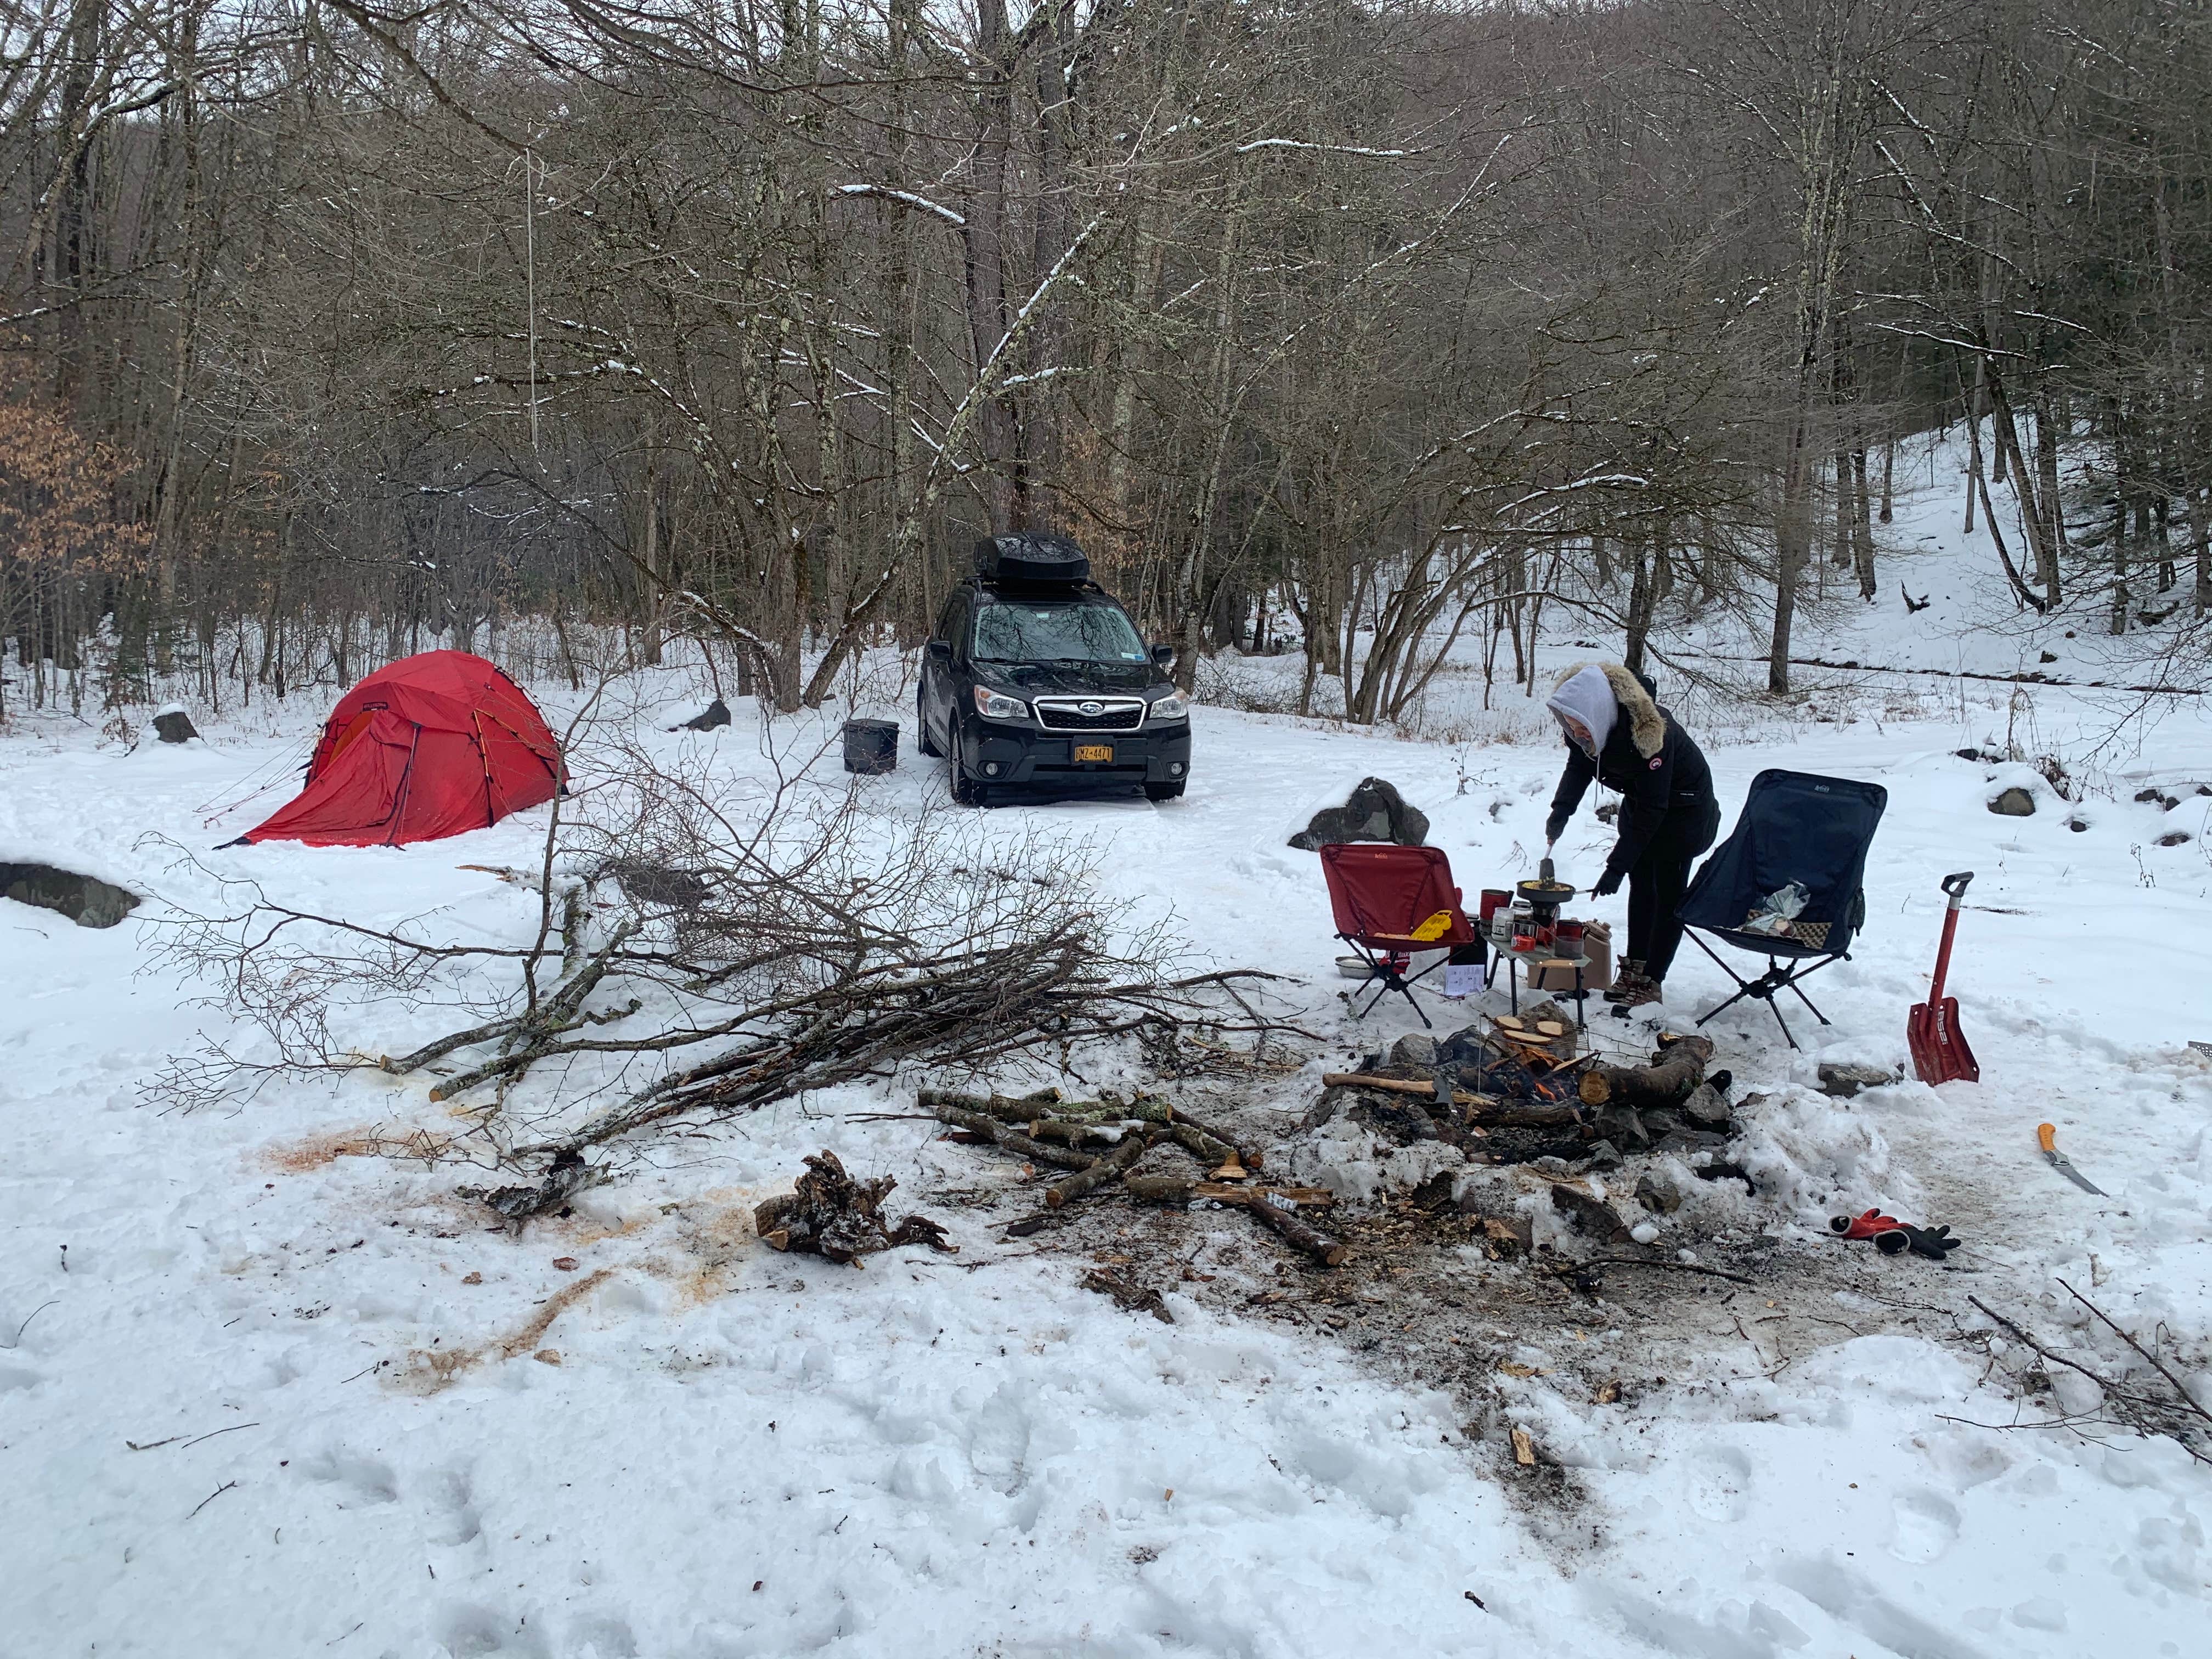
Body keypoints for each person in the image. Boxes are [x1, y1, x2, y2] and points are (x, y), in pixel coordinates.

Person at [1542, 662, 1719, 1008]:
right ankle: (1634, 969)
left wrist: (1616, 867)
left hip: (1685, 813)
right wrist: (1561, 811)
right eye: (1572, 726)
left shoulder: (1651, 735)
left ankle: (1652, 980)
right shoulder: (1587, 727)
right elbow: (1579, 766)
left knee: (1667, 896)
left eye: (1582, 727)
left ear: (1599, 713)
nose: (1578, 733)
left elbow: (1655, 808)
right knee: (1641, 890)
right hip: (1644, 804)